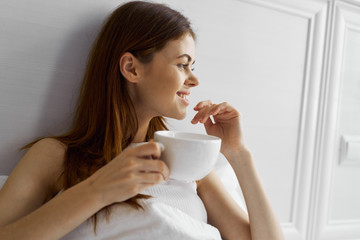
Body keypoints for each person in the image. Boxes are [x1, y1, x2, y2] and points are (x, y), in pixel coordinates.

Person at [0, 1, 284, 239]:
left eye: (192, 67)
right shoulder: (56, 156)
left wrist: (238, 153)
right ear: (131, 68)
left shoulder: (188, 163)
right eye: (183, 64)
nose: (194, 79)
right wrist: (98, 190)